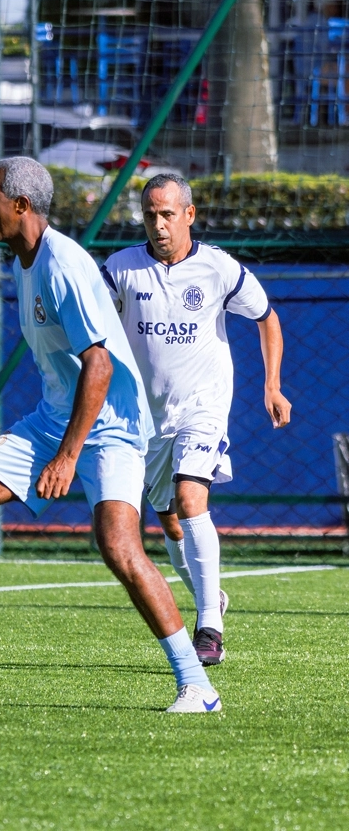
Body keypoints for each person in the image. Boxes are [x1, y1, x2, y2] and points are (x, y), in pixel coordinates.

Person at [0, 157, 222, 713]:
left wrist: (67, 456)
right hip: (54, 419)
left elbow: (100, 364)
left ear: (19, 205)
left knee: (119, 547)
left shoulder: (63, 264)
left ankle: (198, 684)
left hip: (110, 427)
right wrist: (57, 439)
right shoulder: (24, 257)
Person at [101, 174, 291, 666]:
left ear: (189, 215)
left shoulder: (217, 268)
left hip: (202, 407)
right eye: (149, 215)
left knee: (190, 498)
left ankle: (210, 626)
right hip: (146, 418)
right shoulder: (120, 270)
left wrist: (272, 385)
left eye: (168, 214)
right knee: (168, 519)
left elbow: (267, 317)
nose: (159, 225)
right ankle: (213, 593)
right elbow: (92, 328)